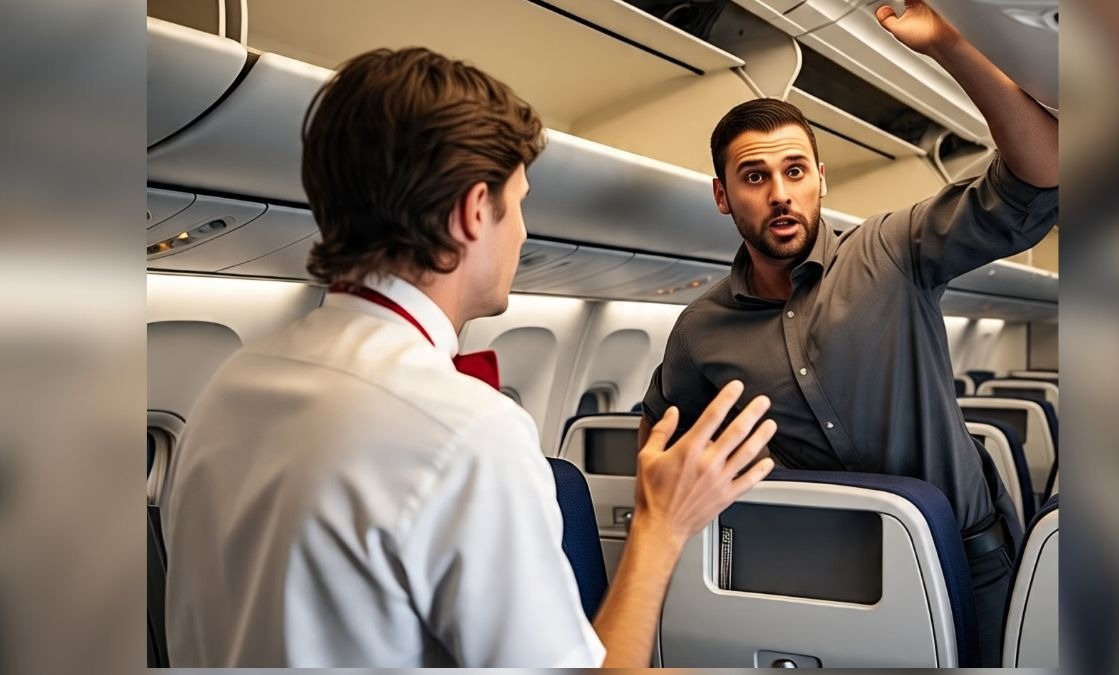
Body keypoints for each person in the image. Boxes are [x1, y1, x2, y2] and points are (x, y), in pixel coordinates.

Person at [160, 47, 777, 667]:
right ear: (473, 211)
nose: (524, 233)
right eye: (520, 203)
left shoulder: (229, 385)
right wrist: (660, 525)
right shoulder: (464, 432)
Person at [638, 1, 1058, 666]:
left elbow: (1042, 174)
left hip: (966, 559)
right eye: (754, 177)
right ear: (723, 196)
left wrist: (949, 43)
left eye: (795, 171)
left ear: (819, 180)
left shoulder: (894, 250)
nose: (780, 193)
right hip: (806, 577)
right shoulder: (699, 332)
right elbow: (659, 447)